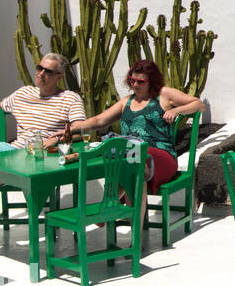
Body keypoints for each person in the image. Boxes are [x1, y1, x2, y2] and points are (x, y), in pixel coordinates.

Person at [0, 53, 86, 243]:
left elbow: (80, 129)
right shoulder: (23, 93)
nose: (41, 73)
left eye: (48, 71)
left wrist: (56, 139)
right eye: (40, 68)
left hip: (38, 157)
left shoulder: (69, 98)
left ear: (59, 77)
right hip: (10, 151)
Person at [75, 59, 205, 234]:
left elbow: (199, 104)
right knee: (133, 169)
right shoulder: (127, 102)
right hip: (133, 157)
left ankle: (109, 201)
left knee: (134, 161)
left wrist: (176, 111)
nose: (135, 85)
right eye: (132, 80)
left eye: (140, 81)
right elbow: (99, 121)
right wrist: (71, 128)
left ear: (151, 81)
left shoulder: (164, 94)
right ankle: (136, 237)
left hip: (161, 155)